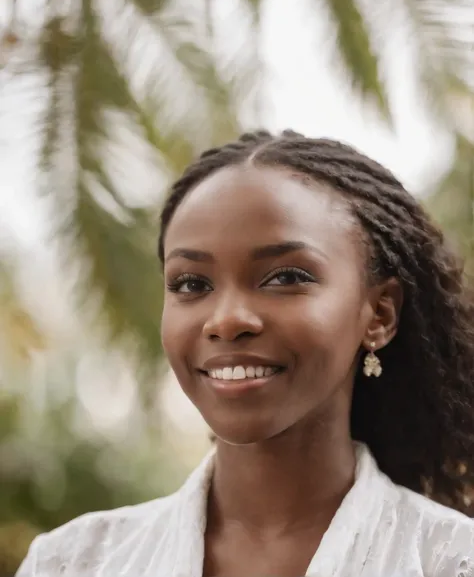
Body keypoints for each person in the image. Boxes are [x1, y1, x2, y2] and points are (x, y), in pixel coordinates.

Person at [17, 130, 474, 577]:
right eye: (192, 284)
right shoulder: (72, 562)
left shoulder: (452, 561)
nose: (226, 320)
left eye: (285, 277)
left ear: (379, 315)